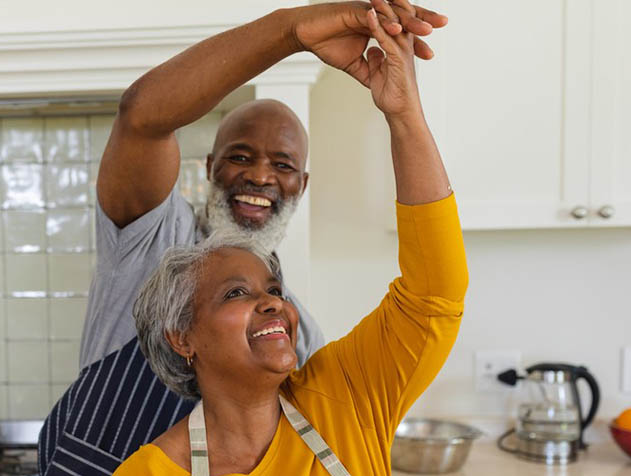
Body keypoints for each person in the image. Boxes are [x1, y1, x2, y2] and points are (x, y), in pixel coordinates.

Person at [38, 0, 448, 474]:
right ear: (210, 168)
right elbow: (142, 117)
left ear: (302, 183)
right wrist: (292, 31)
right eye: (240, 157)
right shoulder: (155, 237)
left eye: (282, 164)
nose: (260, 176)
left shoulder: (292, 330)